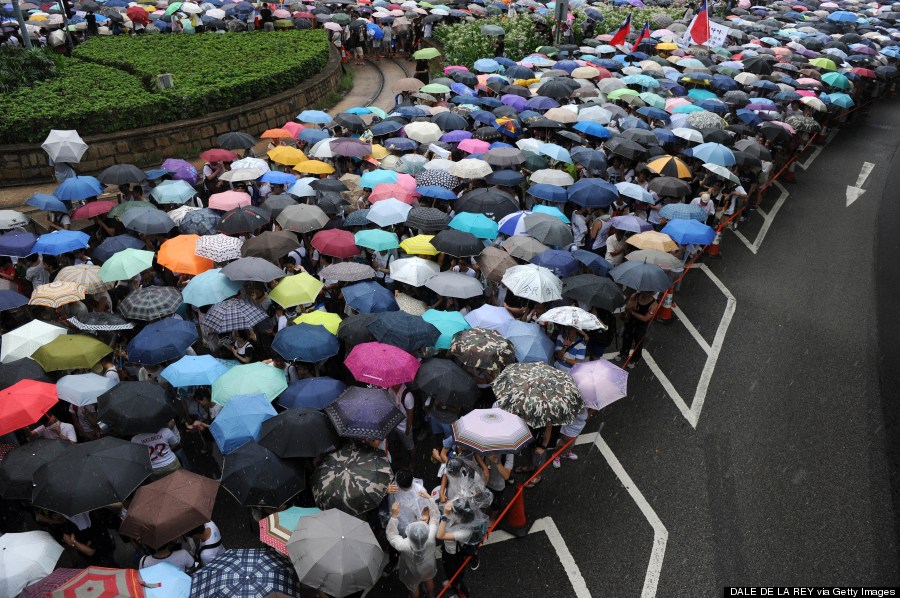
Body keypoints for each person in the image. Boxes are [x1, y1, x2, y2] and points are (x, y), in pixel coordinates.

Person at [386, 492, 439, 598]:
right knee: (429, 579)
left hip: (412, 570)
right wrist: (430, 499)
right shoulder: (430, 537)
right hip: (428, 565)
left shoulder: (404, 545)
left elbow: (391, 535)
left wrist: (394, 516)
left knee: (413, 587)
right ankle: (431, 594)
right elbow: (435, 518)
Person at [615, 291, 657, 368]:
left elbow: (645, 318)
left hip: (641, 326)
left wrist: (633, 313)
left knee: (638, 343)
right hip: (630, 323)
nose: (645, 293)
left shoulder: (654, 304)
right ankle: (624, 353)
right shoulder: (635, 296)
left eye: (648, 292)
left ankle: (635, 359)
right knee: (626, 338)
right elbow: (627, 309)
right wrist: (629, 307)